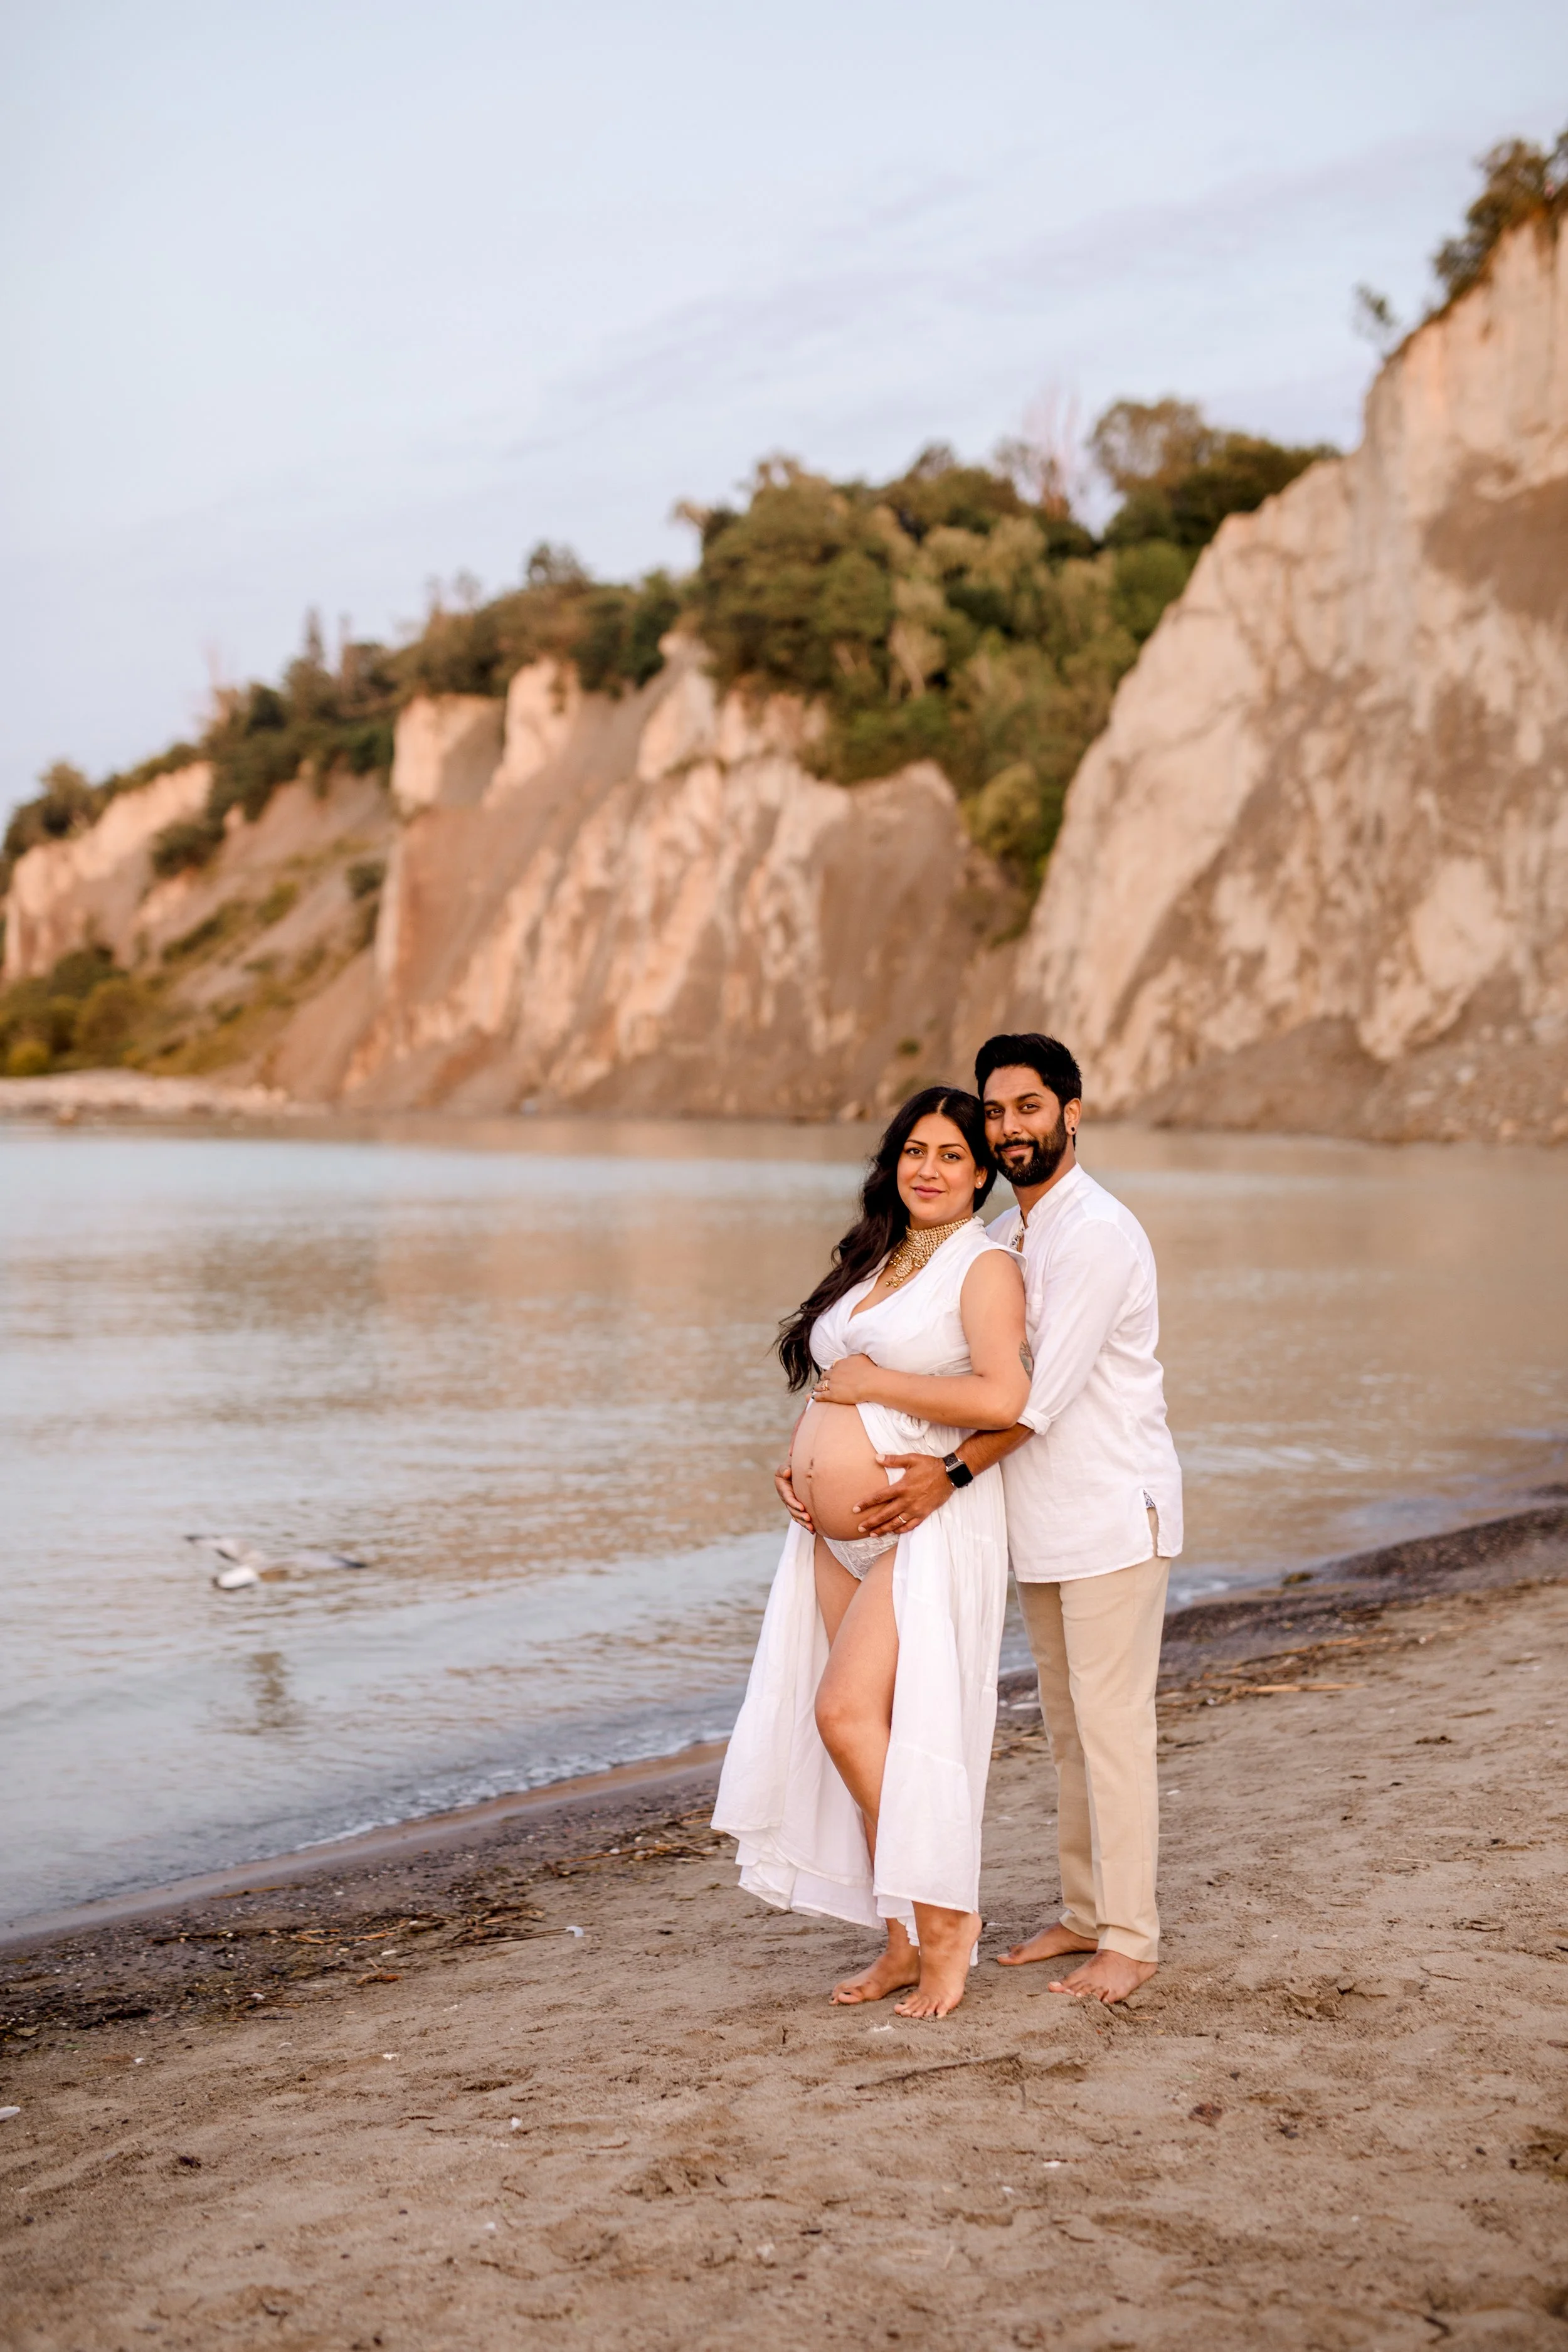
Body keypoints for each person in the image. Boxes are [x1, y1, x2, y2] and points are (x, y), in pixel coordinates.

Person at [850, 1034, 1182, 2006]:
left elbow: (1031, 1401)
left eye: (1028, 1108)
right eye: (996, 1113)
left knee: (1114, 1729)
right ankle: (1086, 1911)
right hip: (1044, 1525)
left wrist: (943, 1477)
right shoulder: (1016, 1236)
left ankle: (1131, 1935)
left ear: (1072, 1113)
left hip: (1115, 1514)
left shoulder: (1096, 1235)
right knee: (1073, 1733)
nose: (1009, 1128)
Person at [712, 1087, 1028, 2019]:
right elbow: (841, 1385)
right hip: (830, 1534)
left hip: (922, 1523)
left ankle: (946, 1920)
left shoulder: (984, 1266)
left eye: (951, 1155)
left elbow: (1007, 1397)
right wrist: (803, 1460)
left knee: (845, 1714)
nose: (928, 1168)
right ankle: (898, 1940)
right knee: (868, 1741)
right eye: (914, 1151)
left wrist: (870, 1387)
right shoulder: (880, 1257)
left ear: (983, 1173)